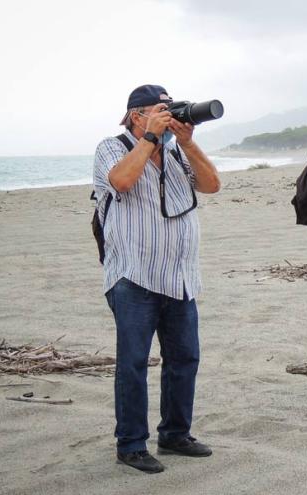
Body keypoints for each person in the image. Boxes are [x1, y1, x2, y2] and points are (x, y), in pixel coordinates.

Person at [93, 84, 221, 473]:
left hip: (180, 275)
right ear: (136, 115)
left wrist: (189, 143)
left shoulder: (177, 150)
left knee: (185, 359)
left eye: (171, 109)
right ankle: (131, 444)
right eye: (160, 110)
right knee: (133, 362)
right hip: (134, 276)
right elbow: (121, 181)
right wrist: (150, 137)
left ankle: (175, 434)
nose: (169, 115)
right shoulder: (111, 147)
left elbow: (212, 184)